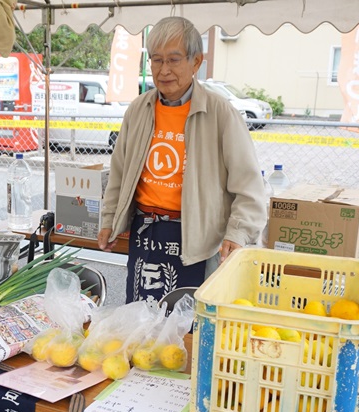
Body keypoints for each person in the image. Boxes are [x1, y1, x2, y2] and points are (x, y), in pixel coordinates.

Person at [97, 16, 267, 304]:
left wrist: (239, 232)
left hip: (197, 237)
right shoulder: (139, 109)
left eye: (174, 60)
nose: (164, 70)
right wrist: (109, 220)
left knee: (187, 322)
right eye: (156, 60)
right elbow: (119, 173)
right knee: (141, 316)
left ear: (196, 62)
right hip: (146, 231)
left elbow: (249, 184)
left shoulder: (220, 113)